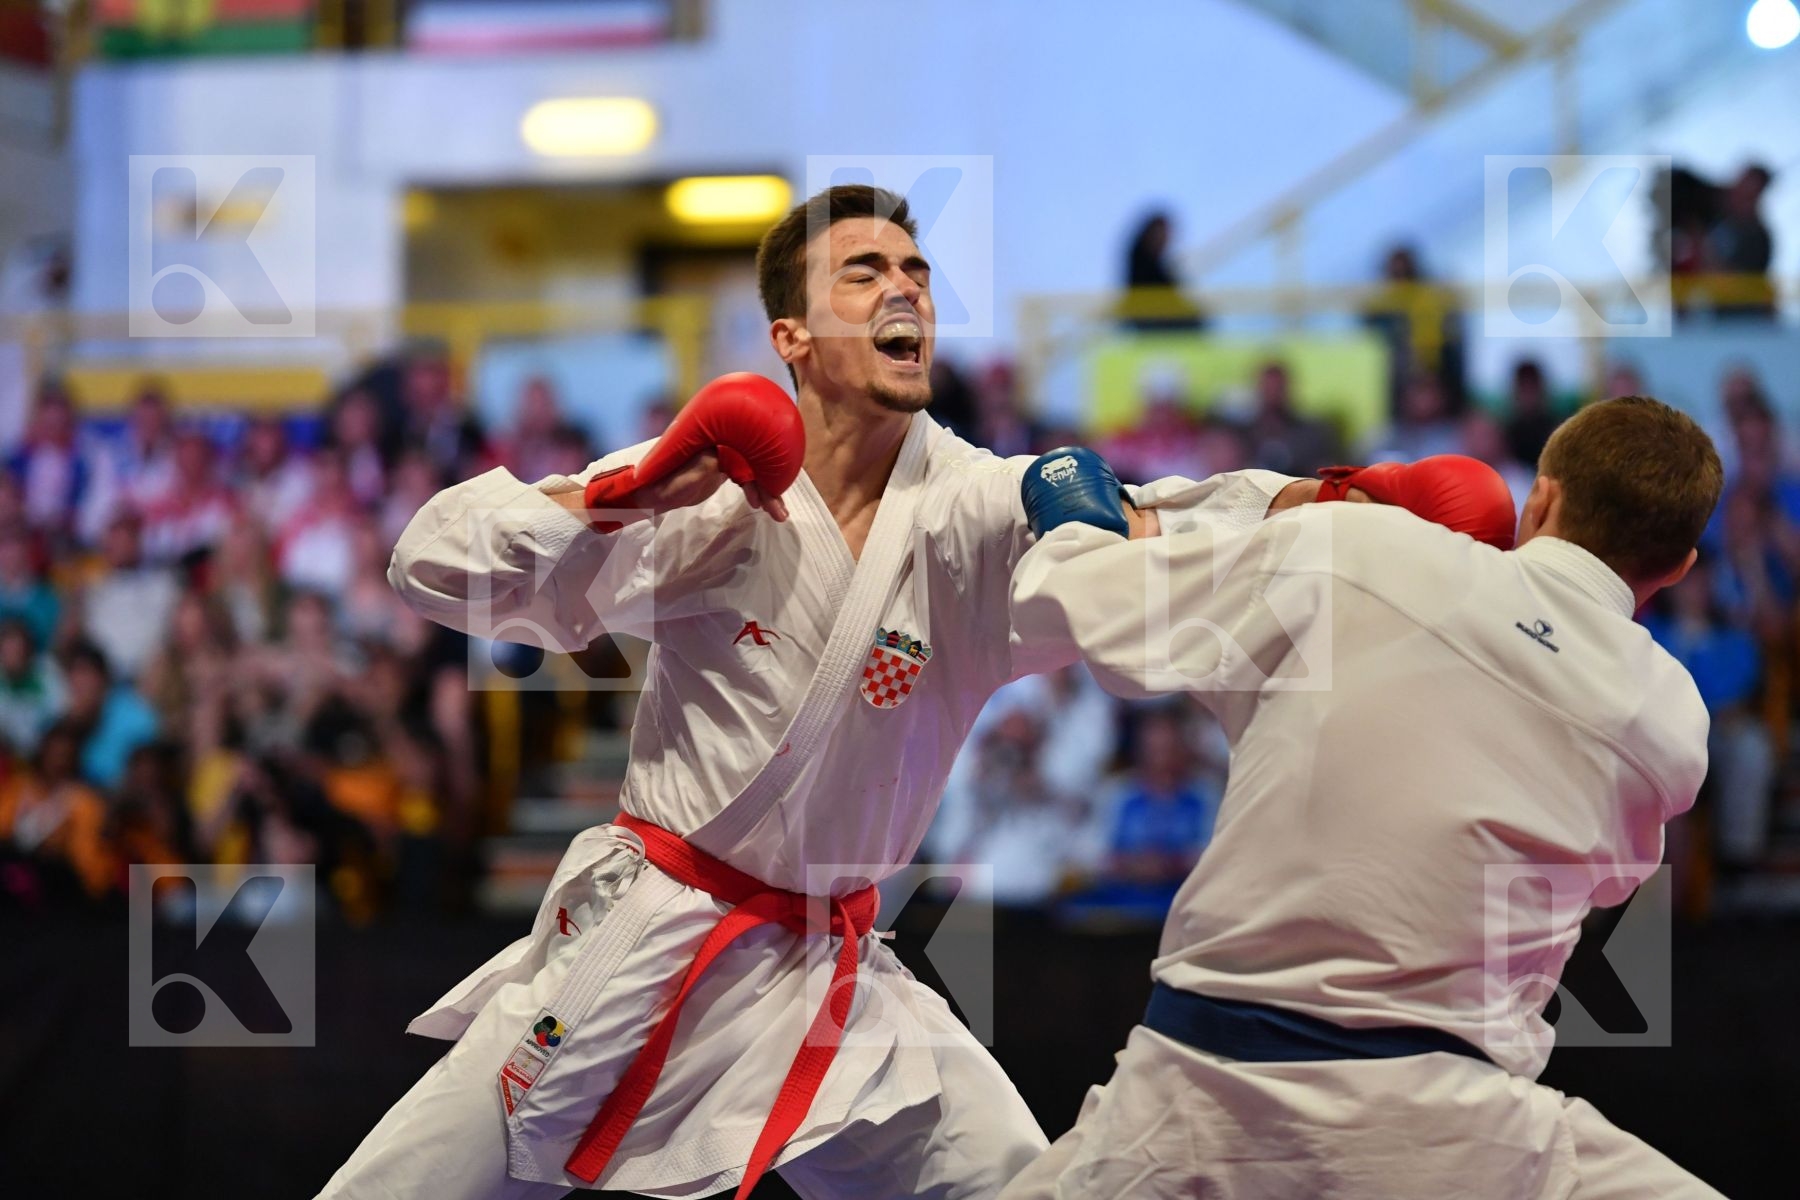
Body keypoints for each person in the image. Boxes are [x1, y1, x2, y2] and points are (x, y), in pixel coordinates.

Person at [319, 183, 1287, 1200]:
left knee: (1014, 1186)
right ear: (793, 336)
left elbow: (1161, 515)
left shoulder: (974, 507)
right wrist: (622, 497)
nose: (904, 289)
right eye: (864, 272)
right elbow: (428, 566)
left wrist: (1337, 500)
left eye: (915, 271)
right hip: (647, 937)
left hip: (833, 974)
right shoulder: (716, 485)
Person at [1002, 396, 1725, 1198]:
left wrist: (1071, 501)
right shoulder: (1669, 720)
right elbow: (1613, 881)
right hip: (1461, 1131)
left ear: (1541, 497)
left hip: (1197, 1091)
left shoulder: (1363, 549)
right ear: (1680, 566)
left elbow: (1083, 605)